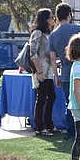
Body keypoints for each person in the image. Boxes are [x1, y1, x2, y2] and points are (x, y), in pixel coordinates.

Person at [47, 2, 80, 141]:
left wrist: (56, 76)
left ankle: (71, 133)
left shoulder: (53, 35)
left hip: (65, 73)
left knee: (70, 104)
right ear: (70, 14)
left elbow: (52, 58)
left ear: (57, 17)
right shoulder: (78, 28)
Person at [29, 8, 58, 136]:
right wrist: (39, 71)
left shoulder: (47, 34)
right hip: (41, 71)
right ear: (46, 19)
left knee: (51, 96)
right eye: (52, 17)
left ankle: (49, 124)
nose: (53, 19)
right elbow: (33, 53)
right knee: (41, 98)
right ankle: (40, 127)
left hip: (48, 72)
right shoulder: (38, 33)